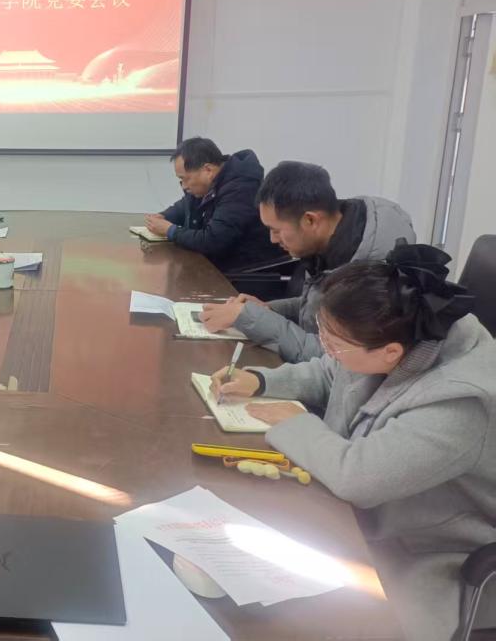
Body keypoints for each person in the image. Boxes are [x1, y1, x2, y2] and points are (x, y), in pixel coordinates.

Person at [210, 243, 495, 641]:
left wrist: (295, 423)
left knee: (313, 622)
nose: (327, 349)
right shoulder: (394, 333)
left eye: (334, 343)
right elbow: (332, 372)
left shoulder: (462, 401)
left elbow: (359, 477)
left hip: (431, 551)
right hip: (364, 517)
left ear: (391, 353)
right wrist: (261, 381)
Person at [200, 161, 415, 362]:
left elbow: (332, 359)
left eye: (276, 230)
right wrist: (269, 309)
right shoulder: (335, 239)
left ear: (310, 220)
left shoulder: (372, 272)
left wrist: (253, 319)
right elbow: (317, 307)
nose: (272, 239)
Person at [144, 137, 285, 271]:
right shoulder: (208, 185)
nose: (184, 186)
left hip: (244, 272)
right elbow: (185, 205)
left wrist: (170, 231)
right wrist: (163, 216)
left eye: (185, 179)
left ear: (208, 170)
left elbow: (212, 240)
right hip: (217, 264)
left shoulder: (240, 189)